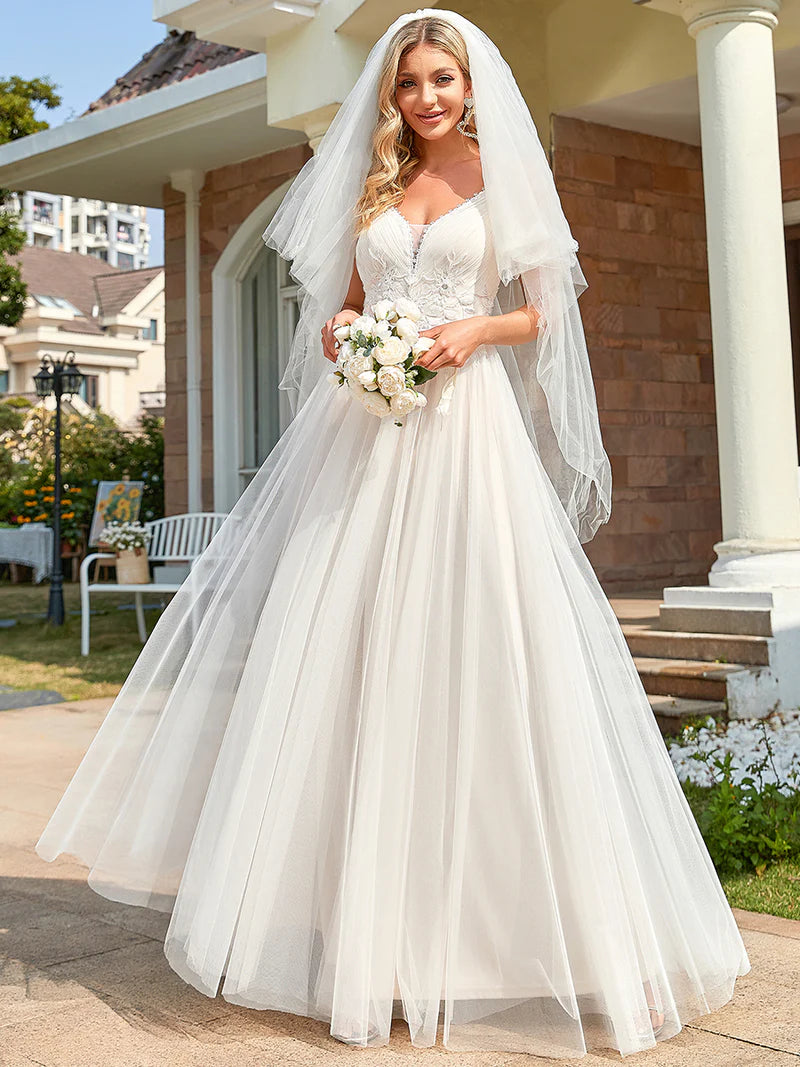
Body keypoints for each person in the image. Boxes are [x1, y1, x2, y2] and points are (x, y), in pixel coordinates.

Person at [34, 8, 751, 1058]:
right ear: (394, 95)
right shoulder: (375, 184)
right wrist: (341, 328)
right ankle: (373, 939)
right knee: (356, 662)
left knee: (487, 656)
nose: (424, 97)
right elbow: (354, 301)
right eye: (409, 83)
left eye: (440, 81)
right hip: (365, 436)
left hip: (467, 439)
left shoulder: (503, 177)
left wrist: (472, 328)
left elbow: (546, 309)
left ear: (469, 88)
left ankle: (534, 940)